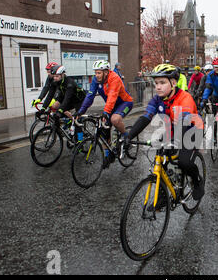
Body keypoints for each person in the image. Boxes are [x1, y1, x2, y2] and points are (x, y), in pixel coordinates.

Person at [125, 64, 205, 202]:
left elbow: (184, 123)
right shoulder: (157, 99)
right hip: (173, 129)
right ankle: (162, 197)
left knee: (184, 161)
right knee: (161, 158)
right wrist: (129, 136)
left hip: (191, 129)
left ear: (173, 83)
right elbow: (145, 117)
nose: (158, 87)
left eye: (162, 82)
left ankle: (196, 180)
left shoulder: (185, 98)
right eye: (156, 83)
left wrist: (175, 142)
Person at [76, 60, 134, 168]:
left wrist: (106, 112)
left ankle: (127, 137)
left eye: (99, 73)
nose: (96, 75)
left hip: (125, 103)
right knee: (104, 130)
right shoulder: (96, 80)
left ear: (106, 72)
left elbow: (112, 96)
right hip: (111, 105)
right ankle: (107, 156)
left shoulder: (114, 78)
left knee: (115, 119)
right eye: (96, 73)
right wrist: (81, 111)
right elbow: (90, 95)